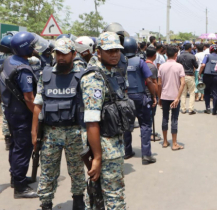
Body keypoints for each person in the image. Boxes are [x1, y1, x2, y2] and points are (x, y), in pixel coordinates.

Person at [32, 38, 85, 210]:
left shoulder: (82, 75)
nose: (60, 57)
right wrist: (34, 133)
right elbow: (38, 105)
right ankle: (46, 203)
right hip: (50, 132)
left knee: (77, 169)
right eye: (58, 53)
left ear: (73, 54)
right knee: (47, 170)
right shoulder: (45, 75)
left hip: (75, 131)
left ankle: (78, 200)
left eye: (64, 54)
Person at [80, 32, 127, 209]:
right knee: (113, 194)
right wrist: (97, 157)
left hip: (112, 143)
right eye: (109, 50)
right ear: (99, 52)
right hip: (104, 146)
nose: (114, 54)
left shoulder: (109, 73)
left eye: (117, 50)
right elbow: (91, 121)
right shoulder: (94, 79)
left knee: (103, 192)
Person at [0, 32, 48, 198]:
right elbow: (29, 98)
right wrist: (36, 115)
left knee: (14, 146)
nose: (36, 49)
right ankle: (20, 188)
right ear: (25, 48)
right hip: (21, 114)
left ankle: (16, 177)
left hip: (11, 111)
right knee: (23, 148)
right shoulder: (23, 70)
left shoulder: (9, 61)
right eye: (33, 46)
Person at [123, 37, 157, 164]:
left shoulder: (119, 61)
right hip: (139, 96)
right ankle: (146, 154)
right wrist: (153, 96)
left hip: (125, 97)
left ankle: (127, 151)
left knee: (126, 125)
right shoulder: (140, 61)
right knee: (145, 125)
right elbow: (149, 80)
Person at [158, 45, 185, 150]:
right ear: (175, 54)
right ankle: (174, 143)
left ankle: (165, 141)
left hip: (164, 96)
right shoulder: (179, 66)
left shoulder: (162, 66)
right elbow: (182, 83)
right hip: (175, 96)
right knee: (174, 119)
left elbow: (159, 84)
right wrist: (178, 98)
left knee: (165, 117)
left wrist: (160, 97)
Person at [177, 43, 198, 115]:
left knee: (183, 93)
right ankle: (191, 109)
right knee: (192, 92)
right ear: (189, 48)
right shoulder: (192, 56)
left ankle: (183, 109)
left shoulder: (179, 57)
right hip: (190, 75)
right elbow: (196, 66)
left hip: (182, 76)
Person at [199, 44, 217, 115]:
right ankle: (214, 109)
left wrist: (199, 73)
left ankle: (207, 108)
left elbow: (203, 65)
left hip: (207, 75)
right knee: (215, 92)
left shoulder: (207, 56)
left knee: (207, 92)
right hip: (216, 75)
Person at [0, 35, 13, 151]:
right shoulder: (14, 59)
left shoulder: (2, 58)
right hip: (13, 92)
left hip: (3, 91)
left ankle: (7, 138)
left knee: (5, 112)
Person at [145, 47, 161, 141]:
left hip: (144, 92)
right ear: (154, 56)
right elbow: (154, 82)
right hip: (150, 93)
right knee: (151, 115)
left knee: (148, 114)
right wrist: (157, 95)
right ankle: (149, 133)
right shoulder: (152, 67)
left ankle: (148, 131)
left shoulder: (143, 64)